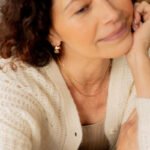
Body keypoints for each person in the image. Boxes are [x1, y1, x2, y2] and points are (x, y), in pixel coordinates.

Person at [0, 0, 150, 150]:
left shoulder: (143, 46)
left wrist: (140, 61)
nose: (112, 14)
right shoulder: (13, 85)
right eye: (82, 9)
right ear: (49, 30)